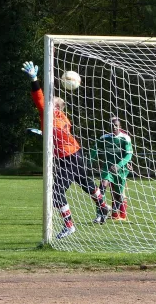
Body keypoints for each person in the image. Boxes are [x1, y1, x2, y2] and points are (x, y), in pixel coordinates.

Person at [21, 61, 109, 239]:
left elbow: (38, 97)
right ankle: (103, 207)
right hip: (73, 154)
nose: (49, 99)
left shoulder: (52, 113)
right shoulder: (57, 116)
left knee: (58, 192)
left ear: (57, 108)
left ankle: (70, 225)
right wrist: (42, 133)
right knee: (87, 185)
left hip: (69, 157)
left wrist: (34, 79)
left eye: (52, 100)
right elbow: (55, 133)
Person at [90, 117, 133, 221]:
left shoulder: (125, 138)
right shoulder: (104, 138)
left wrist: (119, 165)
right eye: (112, 125)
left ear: (120, 127)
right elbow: (95, 150)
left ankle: (115, 211)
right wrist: (89, 162)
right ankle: (100, 215)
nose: (113, 127)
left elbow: (128, 156)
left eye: (116, 125)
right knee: (102, 188)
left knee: (119, 195)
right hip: (108, 168)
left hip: (121, 170)